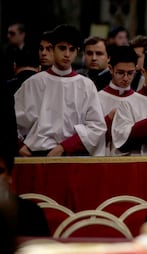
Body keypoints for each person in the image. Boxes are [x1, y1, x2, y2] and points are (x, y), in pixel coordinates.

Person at [14, 24, 107, 157]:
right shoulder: (34, 83)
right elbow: (8, 119)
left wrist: (64, 147)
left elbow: (97, 126)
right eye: (62, 48)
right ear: (52, 49)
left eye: (72, 49)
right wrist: (19, 146)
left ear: (77, 51)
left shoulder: (86, 85)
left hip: (72, 154)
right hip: (37, 154)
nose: (67, 54)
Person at [97, 45, 138, 155]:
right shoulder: (98, 98)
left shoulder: (139, 99)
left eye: (130, 73)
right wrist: (109, 119)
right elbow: (91, 135)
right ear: (110, 69)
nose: (125, 78)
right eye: (120, 73)